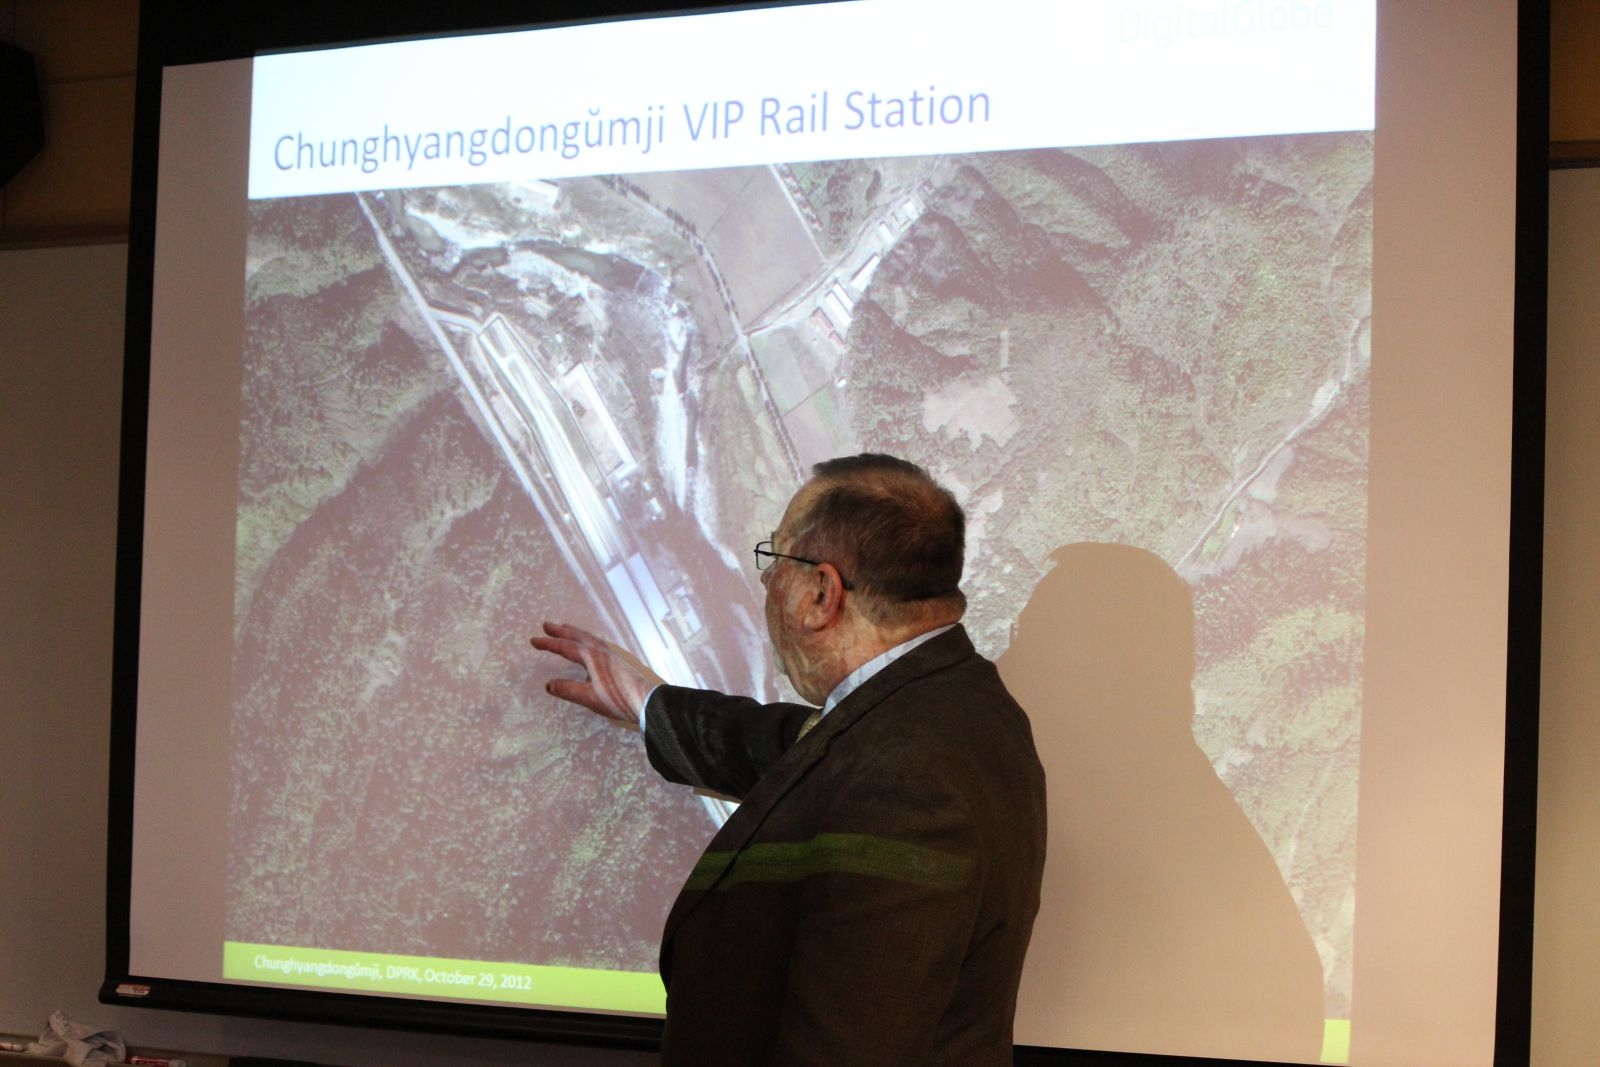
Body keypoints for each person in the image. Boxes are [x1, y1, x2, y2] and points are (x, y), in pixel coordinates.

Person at [531, 453, 1047, 1066]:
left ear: (822, 594)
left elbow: (848, 1047)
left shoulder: (908, 780)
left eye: (774, 559)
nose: (766, 581)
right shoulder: (947, 702)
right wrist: (644, 702)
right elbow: (791, 749)